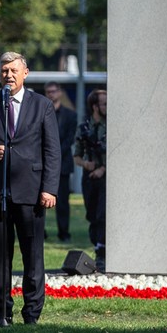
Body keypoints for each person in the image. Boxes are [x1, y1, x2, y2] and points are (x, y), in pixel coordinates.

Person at [0, 52, 60, 326]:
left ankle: (32, 314)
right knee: (0, 258)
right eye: (4, 70)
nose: (8, 75)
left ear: (25, 73)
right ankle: (2, 314)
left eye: (13, 70)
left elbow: (52, 151)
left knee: (33, 256)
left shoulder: (42, 105)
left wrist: (49, 189)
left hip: (32, 193)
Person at [74, 89, 107, 271]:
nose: (107, 107)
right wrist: (86, 164)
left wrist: (103, 168)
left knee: (102, 215)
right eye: (104, 104)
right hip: (89, 178)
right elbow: (77, 156)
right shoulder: (84, 127)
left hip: (106, 177)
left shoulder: (111, 126)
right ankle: (97, 245)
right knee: (92, 215)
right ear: (95, 106)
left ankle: (101, 253)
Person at [44, 82, 77, 242]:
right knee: (40, 200)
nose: (51, 94)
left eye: (54, 91)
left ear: (60, 92)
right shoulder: (41, 113)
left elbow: (69, 139)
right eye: (48, 92)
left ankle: (64, 233)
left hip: (63, 164)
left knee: (63, 201)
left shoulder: (70, 115)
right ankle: (41, 231)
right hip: (43, 163)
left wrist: (54, 154)